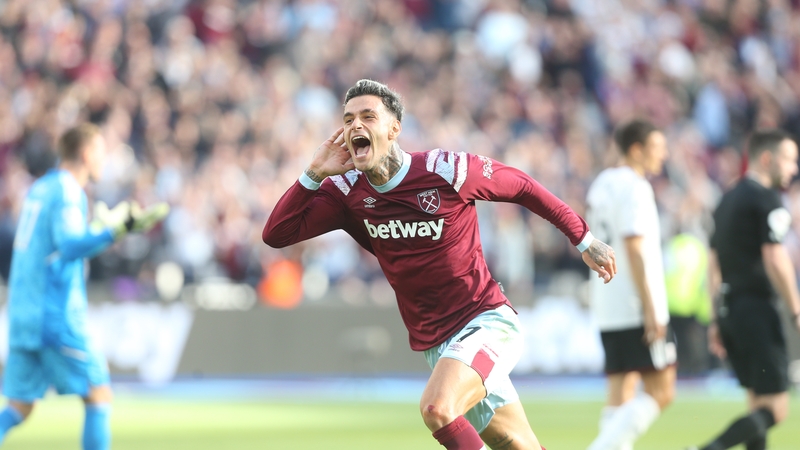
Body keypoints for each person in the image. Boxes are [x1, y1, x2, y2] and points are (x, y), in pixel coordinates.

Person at [263, 79, 617, 450]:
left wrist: (584, 239)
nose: (355, 126)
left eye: (368, 116)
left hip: (486, 322)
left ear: (394, 128)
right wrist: (314, 173)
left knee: (437, 408)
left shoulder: (446, 170)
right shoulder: (347, 191)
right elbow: (277, 233)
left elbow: (523, 186)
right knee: (516, 444)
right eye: (348, 118)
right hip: (439, 343)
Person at [0, 124, 169, 449]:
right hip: (52, 313)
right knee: (98, 393)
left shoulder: (40, 189)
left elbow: (51, 244)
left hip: (22, 311)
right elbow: (69, 245)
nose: (104, 160)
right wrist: (116, 230)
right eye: (102, 152)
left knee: (20, 406)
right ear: (87, 153)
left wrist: (97, 227)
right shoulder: (67, 190)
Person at [692, 129, 800, 450]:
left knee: (757, 402)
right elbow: (774, 255)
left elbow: (714, 262)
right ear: (767, 159)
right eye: (790, 160)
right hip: (757, 310)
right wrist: (795, 307)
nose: (794, 169)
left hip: (730, 310)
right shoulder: (765, 197)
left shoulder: (727, 198)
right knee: (777, 408)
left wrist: (715, 318)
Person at [584, 119, 674, 450]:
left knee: (620, 391)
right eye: (657, 148)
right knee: (662, 391)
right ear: (636, 149)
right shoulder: (636, 187)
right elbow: (634, 247)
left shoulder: (601, 183)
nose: (663, 156)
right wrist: (651, 307)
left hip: (607, 300)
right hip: (635, 302)